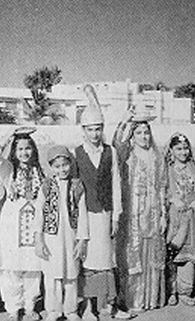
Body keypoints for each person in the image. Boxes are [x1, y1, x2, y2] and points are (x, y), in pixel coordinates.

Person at [75, 85, 131, 320]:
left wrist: (116, 215)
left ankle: (111, 305)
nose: (95, 134)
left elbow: (117, 184)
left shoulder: (110, 152)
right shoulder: (76, 153)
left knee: (108, 262)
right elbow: (75, 190)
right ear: (83, 130)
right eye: (90, 130)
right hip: (86, 216)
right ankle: (88, 307)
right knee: (89, 262)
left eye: (98, 129)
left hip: (107, 214)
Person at [112, 110, 167, 312]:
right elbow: (117, 143)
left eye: (146, 133)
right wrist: (125, 121)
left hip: (152, 215)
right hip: (132, 215)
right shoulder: (127, 155)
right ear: (132, 136)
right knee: (132, 256)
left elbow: (162, 187)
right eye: (139, 133)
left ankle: (150, 299)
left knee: (151, 255)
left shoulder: (157, 157)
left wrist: (163, 216)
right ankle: (133, 300)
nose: (144, 137)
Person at [0, 128, 45, 321]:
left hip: (34, 220)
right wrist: (10, 134)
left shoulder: (40, 170)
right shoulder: (8, 170)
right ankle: (13, 308)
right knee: (11, 267)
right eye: (20, 149)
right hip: (12, 222)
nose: (24, 153)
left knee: (33, 265)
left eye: (28, 148)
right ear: (13, 152)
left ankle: (30, 305)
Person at [34, 145, 89, 321]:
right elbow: (39, 213)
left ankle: (71, 310)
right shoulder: (46, 186)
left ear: (70, 164)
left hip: (71, 238)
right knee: (52, 276)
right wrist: (39, 240)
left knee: (71, 275)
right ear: (51, 167)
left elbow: (82, 214)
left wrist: (81, 240)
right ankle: (53, 310)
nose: (62, 169)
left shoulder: (77, 185)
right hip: (51, 239)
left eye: (65, 165)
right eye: (57, 166)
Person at [163, 133, 195, 307]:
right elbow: (161, 189)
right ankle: (171, 291)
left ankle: (185, 291)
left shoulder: (194, 168)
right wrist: (172, 199)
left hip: (193, 218)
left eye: (185, 148)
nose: (183, 152)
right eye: (179, 149)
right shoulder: (167, 169)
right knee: (173, 254)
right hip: (175, 217)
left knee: (189, 256)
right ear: (172, 151)